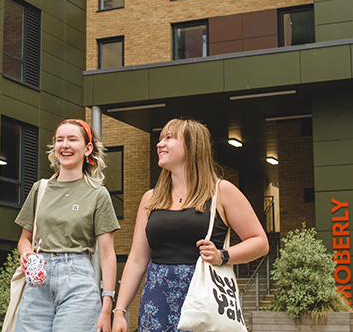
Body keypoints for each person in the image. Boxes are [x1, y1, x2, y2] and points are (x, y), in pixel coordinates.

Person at [111, 117, 269, 332]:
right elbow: (137, 259)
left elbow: (260, 242)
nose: (160, 144)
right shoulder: (150, 199)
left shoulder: (221, 191)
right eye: (160, 139)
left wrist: (223, 256)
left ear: (192, 145)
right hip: (156, 302)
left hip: (203, 299)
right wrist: (119, 310)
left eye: (169, 138)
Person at [14, 119, 121, 332]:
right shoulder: (40, 189)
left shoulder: (98, 194)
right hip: (37, 281)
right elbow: (25, 239)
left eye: (72, 139)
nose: (65, 145)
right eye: (59, 140)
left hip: (78, 279)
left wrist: (107, 306)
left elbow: (108, 254)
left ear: (87, 148)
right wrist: (26, 253)